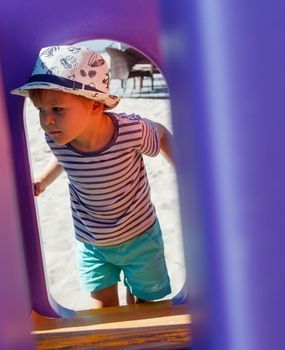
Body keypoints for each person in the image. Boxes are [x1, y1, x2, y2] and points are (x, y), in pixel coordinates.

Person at [11, 45, 175, 307]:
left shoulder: (130, 131)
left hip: (140, 237)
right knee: (103, 312)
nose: (47, 120)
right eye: (42, 110)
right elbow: (64, 159)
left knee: (146, 306)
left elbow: (162, 134)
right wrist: (42, 179)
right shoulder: (58, 139)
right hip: (92, 244)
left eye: (58, 110)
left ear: (95, 106)